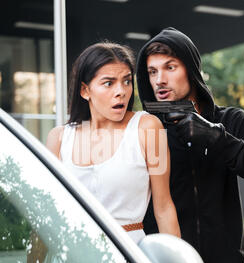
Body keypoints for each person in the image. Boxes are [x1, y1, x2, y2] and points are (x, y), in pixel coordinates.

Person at [136, 27, 244, 263]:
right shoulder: (145, 130)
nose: (160, 79)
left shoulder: (231, 121)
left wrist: (214, 136)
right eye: (152, 71)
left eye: (170, 67)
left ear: (191, 70)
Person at [46, 42, 181, 244]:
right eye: (109, 83)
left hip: (127, 254)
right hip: (70, 258)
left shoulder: (148, 128)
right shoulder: (58, 138)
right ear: (85, 90)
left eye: (127, 81)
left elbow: (163, 208)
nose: (122, 91)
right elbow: (47, 214)